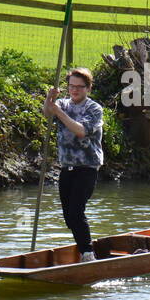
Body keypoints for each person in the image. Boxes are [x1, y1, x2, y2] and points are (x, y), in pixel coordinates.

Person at [43, 67, 104, 261]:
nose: (75, 90)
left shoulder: (93, 109)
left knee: (77, 211)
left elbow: (81, 131)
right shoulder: (62, 104)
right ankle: (83, 246)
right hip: (67, 166)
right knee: (69, 217)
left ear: (88, 88)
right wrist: (49, 100)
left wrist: (58, 111)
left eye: (79, 87)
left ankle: (87, 253)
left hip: (87, 167)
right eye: (71, 86)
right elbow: (47, 114)